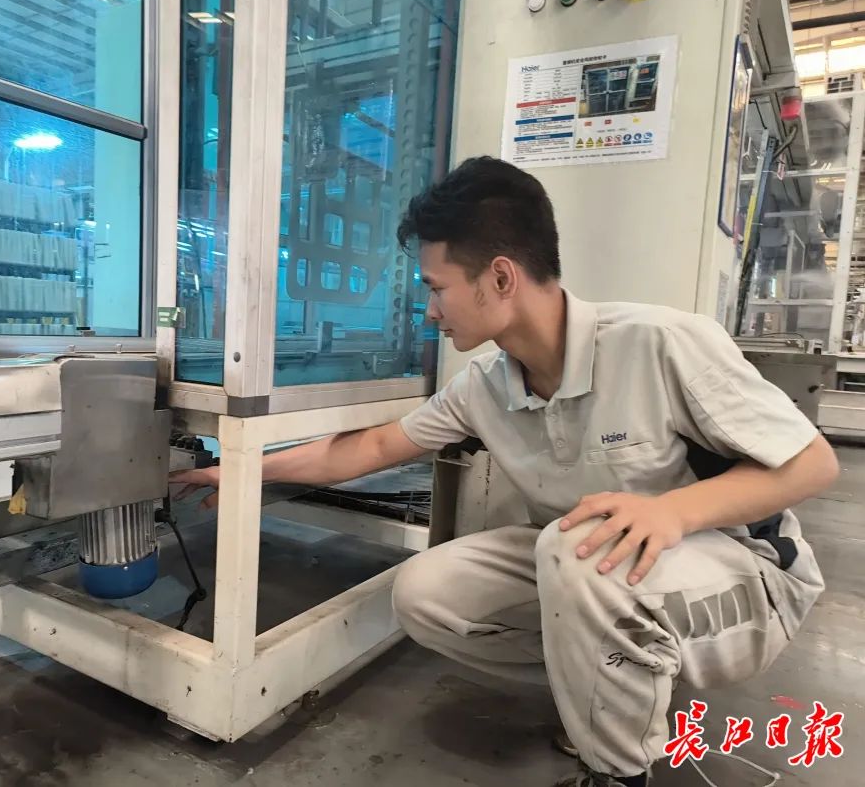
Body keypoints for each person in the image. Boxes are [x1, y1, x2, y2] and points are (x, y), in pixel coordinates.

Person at [170, 157, 839, 787]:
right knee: (426, 593)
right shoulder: (486, 385)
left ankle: (619, 770)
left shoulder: (659, 343)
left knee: (576, 551)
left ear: (500, 278)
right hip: (598, 568)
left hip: (748, 574)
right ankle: (607, 693)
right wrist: (243, 472)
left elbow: (813, 463)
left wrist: (671, 512)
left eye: (437, 288)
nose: (430, 310)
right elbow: (371, 447)